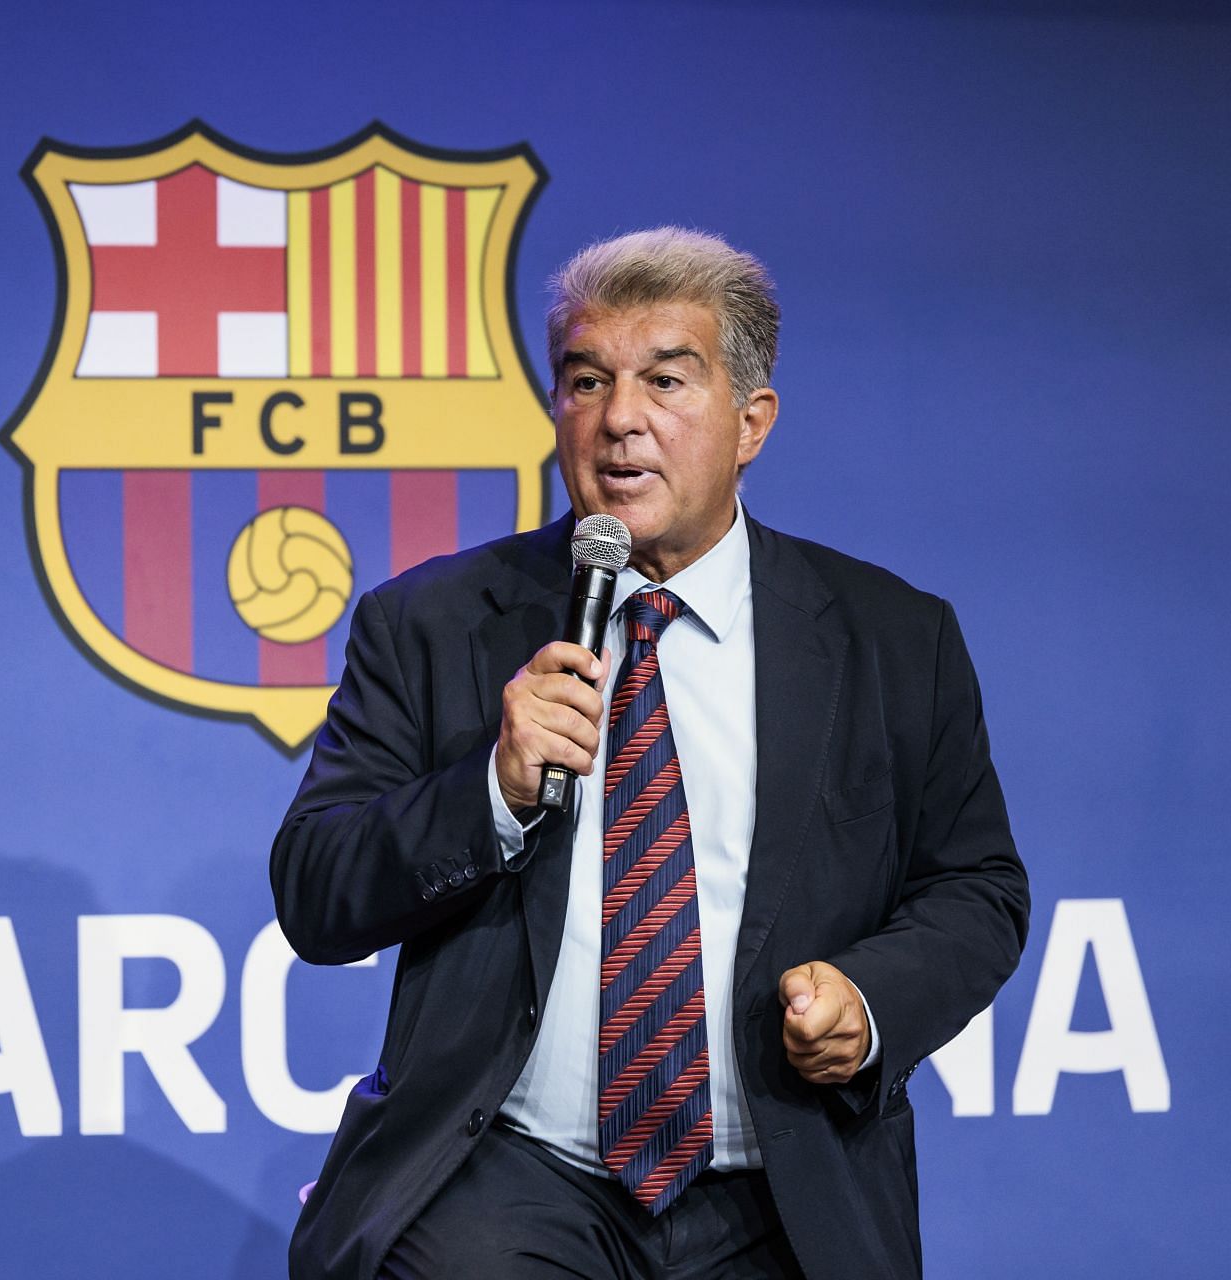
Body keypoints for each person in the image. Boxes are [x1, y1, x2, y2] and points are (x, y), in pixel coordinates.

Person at [270, 228, 1029, 1280]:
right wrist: (491, 785)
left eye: (666, 379)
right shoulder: (435, 622)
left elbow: (976, 886)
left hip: (781, 1180)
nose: (620, 418)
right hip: (508, 1171)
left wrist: (866, 1000)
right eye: (588, 381)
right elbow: (315, 886)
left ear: (751, 421)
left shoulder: (894, 640)